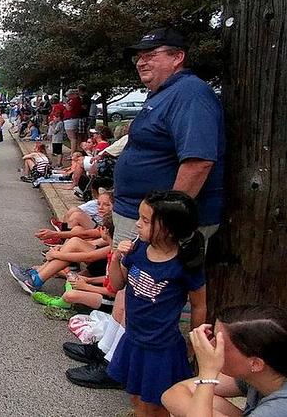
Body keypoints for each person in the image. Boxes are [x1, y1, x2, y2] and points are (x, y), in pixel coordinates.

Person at [113, 27, 225, 246]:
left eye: (150, 55)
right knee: (123, 279)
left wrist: (166, 219)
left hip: (158, 225)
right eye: (139, 57)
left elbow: (198, 162)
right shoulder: (164, 93)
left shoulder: (190, 93)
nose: (140, 62)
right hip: (139, 216)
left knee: (146, 281)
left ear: (177, 57)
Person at [106, 190, 207, 416]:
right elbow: (117, 284)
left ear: (170, 229)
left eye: (145, 220)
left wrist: (195, 342)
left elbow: (199, 305)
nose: (137, 225)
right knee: (134, 395)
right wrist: (116, 258)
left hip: (161, 348)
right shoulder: (138, 249)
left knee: (153, 403)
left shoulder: (184, 264)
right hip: (133, 338)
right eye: (138, 217)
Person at [162, 305, 287, 417]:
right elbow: (171, 394)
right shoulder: (262, 375)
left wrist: (207, 372)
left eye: (220, 344)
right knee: (205, 400)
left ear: (256, 363)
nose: (211, 346)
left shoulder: (279, 407)